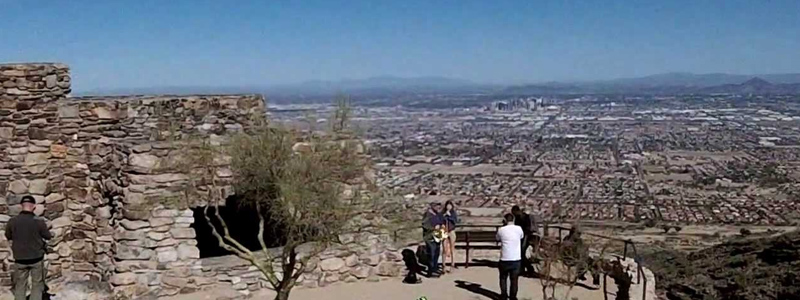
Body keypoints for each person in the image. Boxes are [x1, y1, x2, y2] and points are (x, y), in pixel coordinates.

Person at [5, 195, 53, 300]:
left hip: (20, 258)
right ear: (34, 207)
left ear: (21, 206)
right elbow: (48, 236)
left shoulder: (13, 221)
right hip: (36, 257)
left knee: (20, 285)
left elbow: (8, 235)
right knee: (37, 284)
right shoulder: (38, 221)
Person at [496, 213, 524, 300]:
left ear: (505, 220)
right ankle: (513, 297)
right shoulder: (519, 229)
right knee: (514, 280)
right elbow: (521, 236)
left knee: (503, 278)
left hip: (505, 258)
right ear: (514, 220)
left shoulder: (501, 230)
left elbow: (497, 238)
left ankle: (503, 295)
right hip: (516, 258)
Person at [511, 205, 537, 276]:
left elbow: (526, 229)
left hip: (525, 237)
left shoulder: (522, 218)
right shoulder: (521, 217)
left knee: (521, 254)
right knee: (521, 254)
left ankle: (528, 268)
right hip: (523, 237)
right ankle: (524, 269)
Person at [421, 202, 444, 277]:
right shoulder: (427, 215)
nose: (438, 207)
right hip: (430, 236)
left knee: (436, 253)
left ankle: (435, 268)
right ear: (432, 206)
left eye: (439, 206)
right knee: (431, 253)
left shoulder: (437, 214)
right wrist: (433, 228)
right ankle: (430, 271)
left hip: (438, 235)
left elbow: (442, 221)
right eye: (436, 206)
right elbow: (424, 225)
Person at [442, 200, 459, 273]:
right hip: (444, 231)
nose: (448, 207)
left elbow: (455, 221)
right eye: (447, 205)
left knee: (452, 249)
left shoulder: (453, 213)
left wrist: (450, 216)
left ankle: (452, 264)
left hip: (451, 231)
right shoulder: (443, 213)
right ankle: (443, 265)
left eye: (450, 205)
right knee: (444, 249)